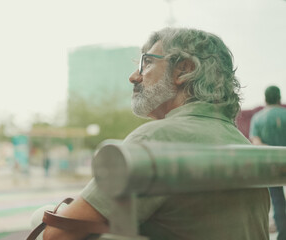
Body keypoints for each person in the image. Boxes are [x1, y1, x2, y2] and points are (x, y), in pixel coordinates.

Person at [41, 27, 269, 240]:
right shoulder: (241, 142)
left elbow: (57, 235)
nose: (133, 76)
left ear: (184, 70)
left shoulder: (155, 140)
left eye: (146, 63)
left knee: (41, 215)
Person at [250, 86, 286, 240]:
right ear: (279, 98)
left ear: (265, 99)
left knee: (277, 202)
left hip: (272, 167)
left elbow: (256, 143)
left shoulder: (257, 118)